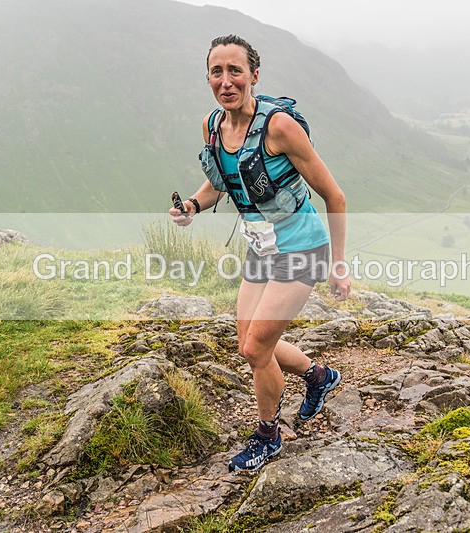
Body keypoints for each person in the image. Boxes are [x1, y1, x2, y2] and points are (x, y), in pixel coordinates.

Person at [169, 34, 350, 472]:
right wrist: (192, 205)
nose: (226, 81)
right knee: (249, 345)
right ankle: (320, 377)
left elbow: (335, 196)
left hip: (302, 248)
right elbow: (221, 183)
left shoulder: (278, 128)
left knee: (254, 350)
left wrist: (338, 265)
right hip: (261, 248)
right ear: (208, 77)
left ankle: (268, 436)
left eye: (235, 71)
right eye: (217, 71)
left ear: (254, 75)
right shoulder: (213, 126)